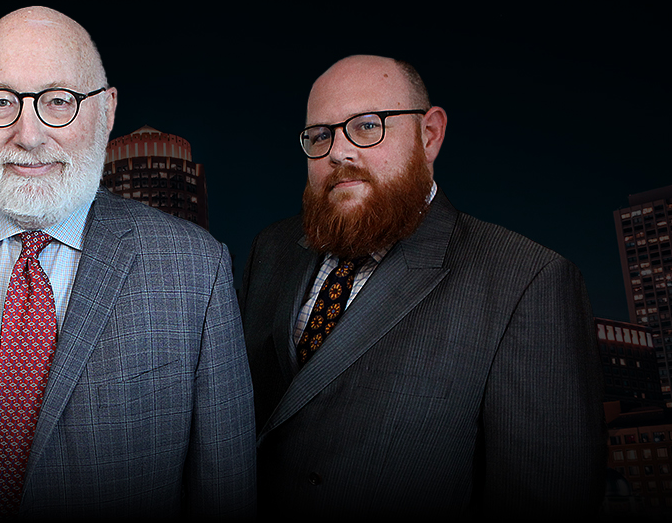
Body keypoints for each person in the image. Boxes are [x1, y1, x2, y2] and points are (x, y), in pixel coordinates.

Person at [0, 7, 255, 519]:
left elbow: (226, 487)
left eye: (58, 101)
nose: (28, 134)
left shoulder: (196, 271)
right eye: (2, 102)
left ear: (107, 111)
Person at [241, 55, 604, 515]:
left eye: (368, 126)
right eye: (320, 135)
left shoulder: (529, 280)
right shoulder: (269, 251)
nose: (338, 152)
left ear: (429, 135)